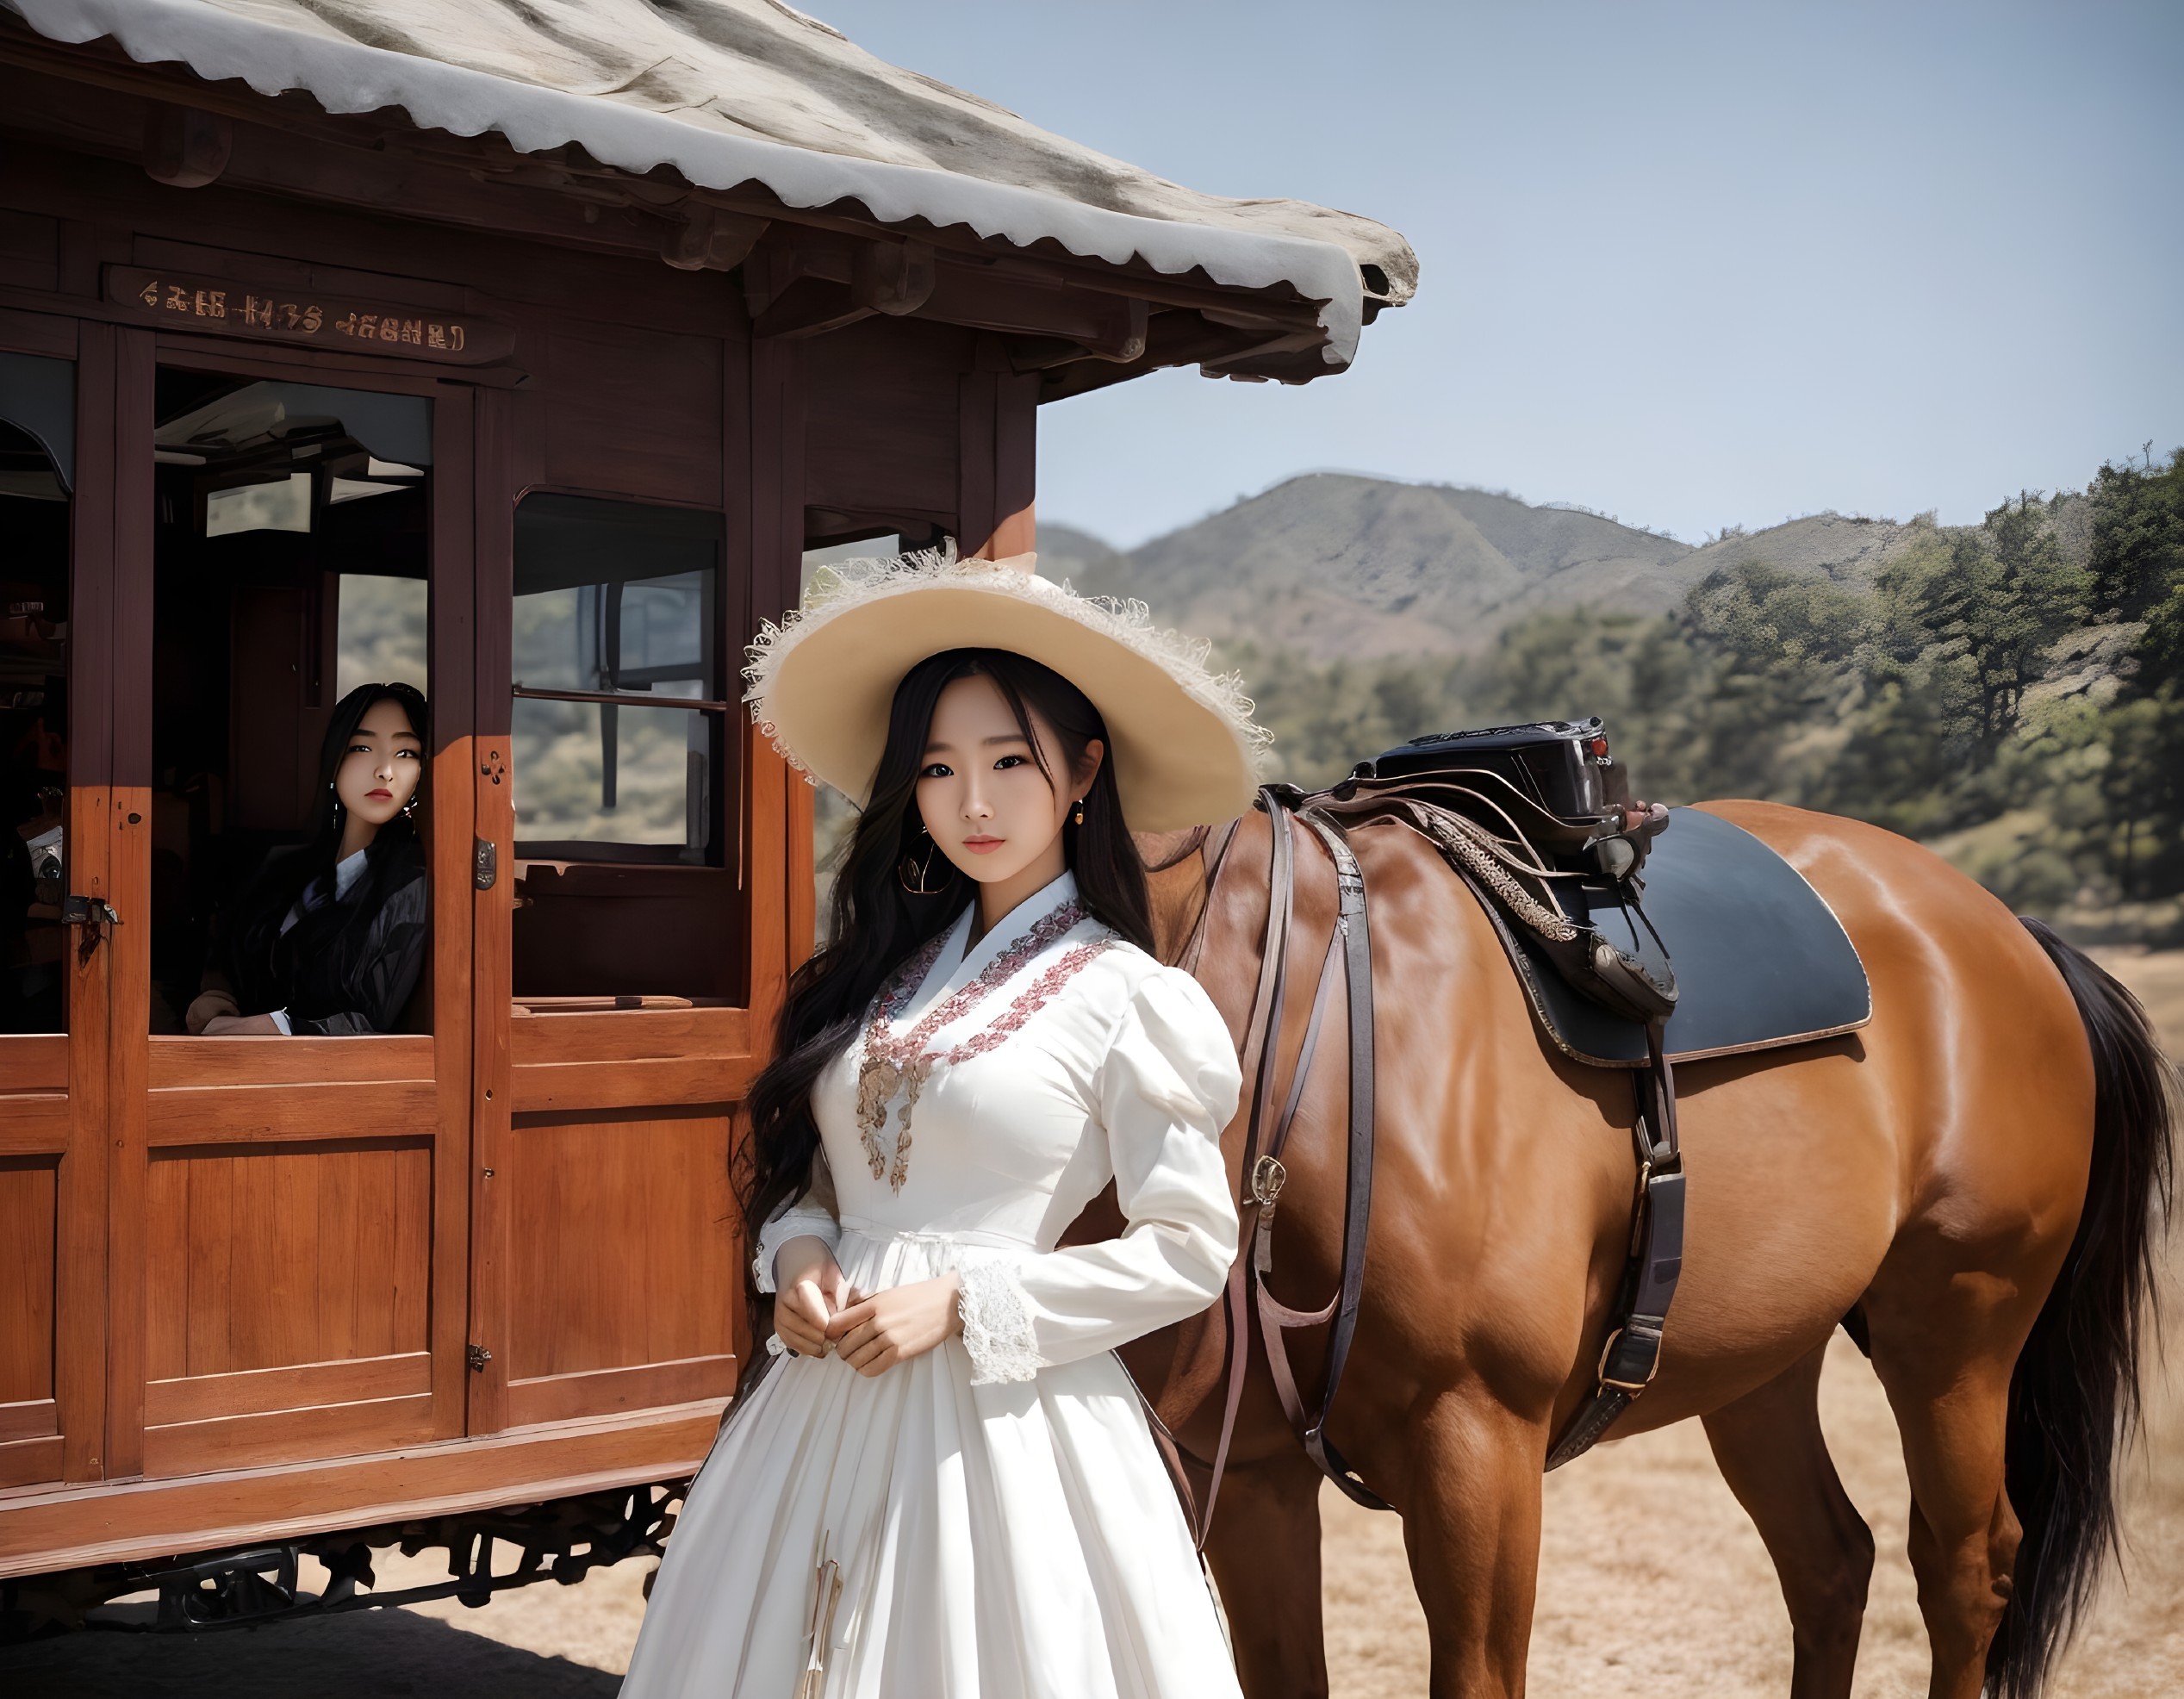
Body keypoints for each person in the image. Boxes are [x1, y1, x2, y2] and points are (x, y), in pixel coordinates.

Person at [622, 549, 1268, 1698]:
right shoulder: (883, 973)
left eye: (1009, 761)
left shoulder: (1129, 997)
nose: (971, 802)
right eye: (937, 768)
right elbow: (825, 1179)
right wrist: (802, 1251)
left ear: (1082, 771)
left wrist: (966, 1304)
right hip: (818, 1405)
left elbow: (1189, 1251)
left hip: (1000, 1432)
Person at [188, 681, 429, 1037]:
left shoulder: (410, 888)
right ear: (334, 759)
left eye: (406, 753)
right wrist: (216, 995)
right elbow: (232, 946)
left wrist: (270, 1029)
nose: (385, 771)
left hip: (326, 1079)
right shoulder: (286, 867)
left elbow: (371, 1021)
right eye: (362, 747)